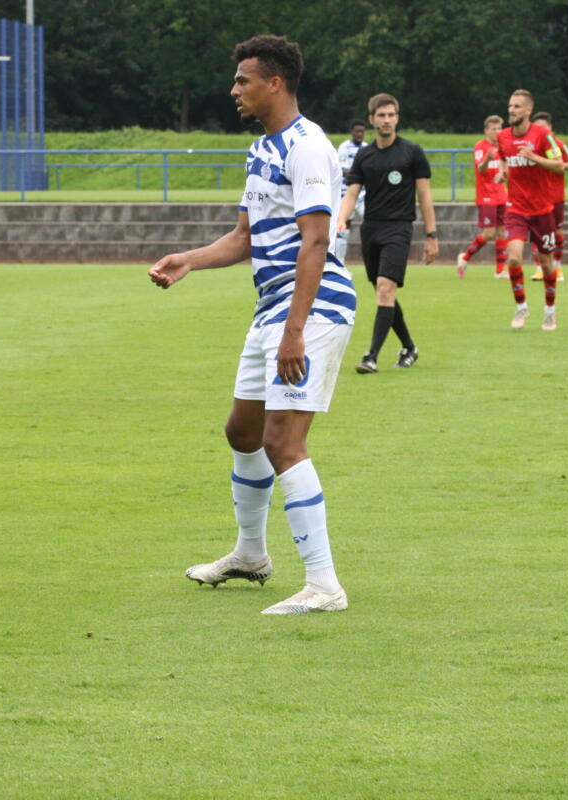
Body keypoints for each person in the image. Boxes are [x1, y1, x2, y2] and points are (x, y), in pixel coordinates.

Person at [148, 34, 355, 615]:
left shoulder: (309, 146)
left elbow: (317, 240)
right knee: (243, 432)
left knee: (283, 441)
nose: (234, 89)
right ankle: (249, 554)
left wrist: (294, 329)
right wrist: (188, 259)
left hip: (309, 307)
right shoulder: (262, 149)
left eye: (243, 80)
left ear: (275, 84)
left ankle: (324, 585)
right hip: (273, 307)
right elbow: (244, 238)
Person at [338, 93, 437, 372]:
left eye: (391, 115)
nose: (387, 120)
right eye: (381, 115)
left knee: (384, 288)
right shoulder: (364, 156)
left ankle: (371, 356)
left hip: (399, 228)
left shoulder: (412, 152)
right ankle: (409, 346)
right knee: (385, 293)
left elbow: (425, 197)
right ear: (372, 119)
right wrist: (341, 219)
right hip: (371, 230)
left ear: (397, 118)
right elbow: (352, 192)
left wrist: (432, 236)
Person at [496, 90, 565, 331]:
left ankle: (550, 311)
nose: (511, 110)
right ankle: (521, 306)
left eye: (516, 107)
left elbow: (560, 165)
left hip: (542, 211)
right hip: (515, 209)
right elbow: (503, 156)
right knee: (513, 257)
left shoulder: (544, 135)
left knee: (547, 265)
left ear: (527, 111)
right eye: (510, 106)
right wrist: (502, 170)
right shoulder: (503, 136)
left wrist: (534, 157)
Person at [456, 114, 509, 279]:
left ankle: (500, 270)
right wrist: (487, 159)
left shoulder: (504, 146)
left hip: (502, 195)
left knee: (502, 233)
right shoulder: (481, 146)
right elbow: (480, 168)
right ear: (486, 131)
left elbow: (507, 168)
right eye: (493, 129)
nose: (497, 132)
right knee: (488, 233)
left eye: (499, 128)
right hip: (486, 196)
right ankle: (465, 258)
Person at [529, 112, 568, 282]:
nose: (541, 130)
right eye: (538, 127)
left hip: (555, 196)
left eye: (544, 126)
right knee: (536, 233)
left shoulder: (558, 145)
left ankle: (557, 266)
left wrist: (555, 164)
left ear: (550, 128)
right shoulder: (531, 146)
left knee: (557, 231)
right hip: (536, 196)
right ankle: (539, 268)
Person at [334, 119, 367, 264]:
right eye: (357, 131)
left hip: (364, 194)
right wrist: (361, 173)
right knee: (344, 228)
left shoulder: (367, 148)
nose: (359, 134)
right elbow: (343, 170)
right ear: (352, 132)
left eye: (362, 131)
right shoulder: (344, 148)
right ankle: (340, 262)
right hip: (347, 193)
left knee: (374, 223)